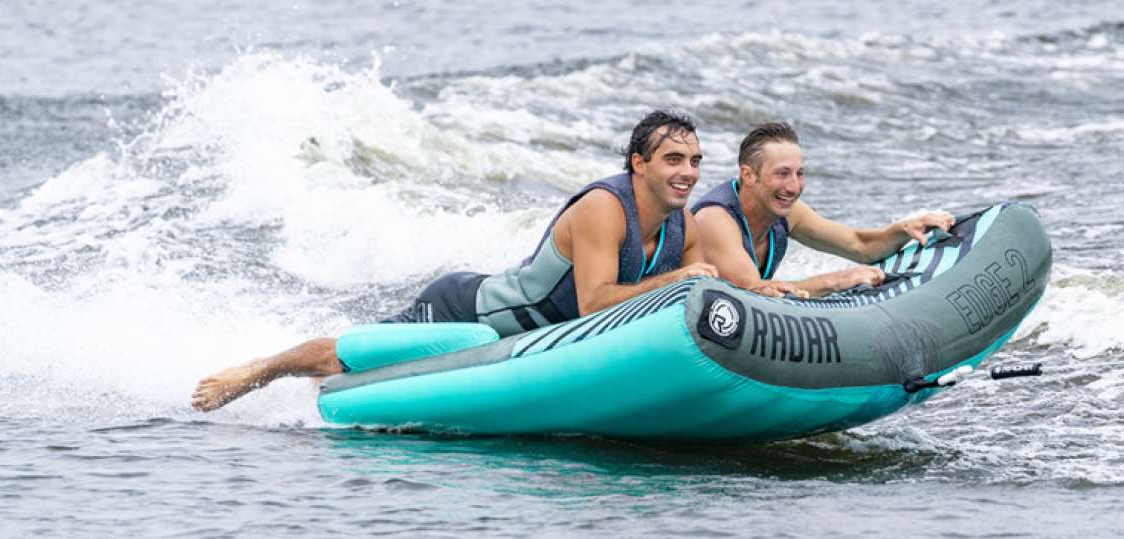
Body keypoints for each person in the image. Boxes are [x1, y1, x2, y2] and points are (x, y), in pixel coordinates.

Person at [191, 110, 718, 411]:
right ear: (638, 163)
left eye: (695, 161)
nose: (688, 172)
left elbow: (701, 288)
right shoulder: (605, 208)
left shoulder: (683, 224)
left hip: (528, 341)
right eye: (674, 159)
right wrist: (681, 276)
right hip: (468, 310)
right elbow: (595, 301)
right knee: (349, 358)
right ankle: (260, 370)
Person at [692, 122, 955, 298]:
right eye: (782, 174)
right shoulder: (715, 218)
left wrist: (904, 229)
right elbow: (756, 292)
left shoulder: (786, 211)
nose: (794, 187)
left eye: (800, 173)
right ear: (748, 175)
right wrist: (836, 281)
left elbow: (858, 245)